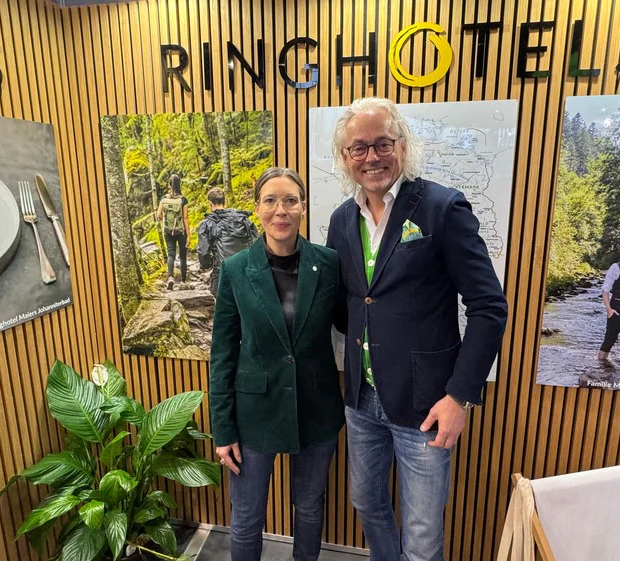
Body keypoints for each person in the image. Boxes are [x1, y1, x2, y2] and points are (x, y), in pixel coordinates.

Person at [325, 98, 508, 561]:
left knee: (424, 537)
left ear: (402, 147)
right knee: (366, 501)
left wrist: (459, 396)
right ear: (345, 157)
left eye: (382, 144)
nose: (371, 157)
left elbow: (488, 307)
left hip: (427, 404)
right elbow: (349, 303)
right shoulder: (342, 220)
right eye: (359, 147)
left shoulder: (443, 208)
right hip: (362, 399)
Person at [209, 167, 346, 561]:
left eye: (290, 200)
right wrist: (223, 429)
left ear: (303, 207)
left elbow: (349, 321)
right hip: (253, 414)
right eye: (270, 200)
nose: (280, 210)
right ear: (257, 208)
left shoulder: (329, 263)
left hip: (316, 408)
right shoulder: (236, 270)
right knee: (247, 515)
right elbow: (223, 353)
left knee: (310, 506)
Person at [197, 187, 258, 296]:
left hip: (222, 271)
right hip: (245, 269)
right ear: (225, 202)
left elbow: (203, 250)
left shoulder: (207, 223)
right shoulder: (243, 219)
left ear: (210, 203)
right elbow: (255, 242)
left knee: (222, 300)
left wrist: (206, 265)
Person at [156, 174, 189, 289]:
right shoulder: (183, 199)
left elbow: (158, 215)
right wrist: (188, 235)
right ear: (179, 184)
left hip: (168, 231)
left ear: (169, 185)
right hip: (181, 231)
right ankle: (183, 282)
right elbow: (185, 218)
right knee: (183, 256)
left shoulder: (164, 199)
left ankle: (170, 277)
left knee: (171, 254)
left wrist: (164, 222)